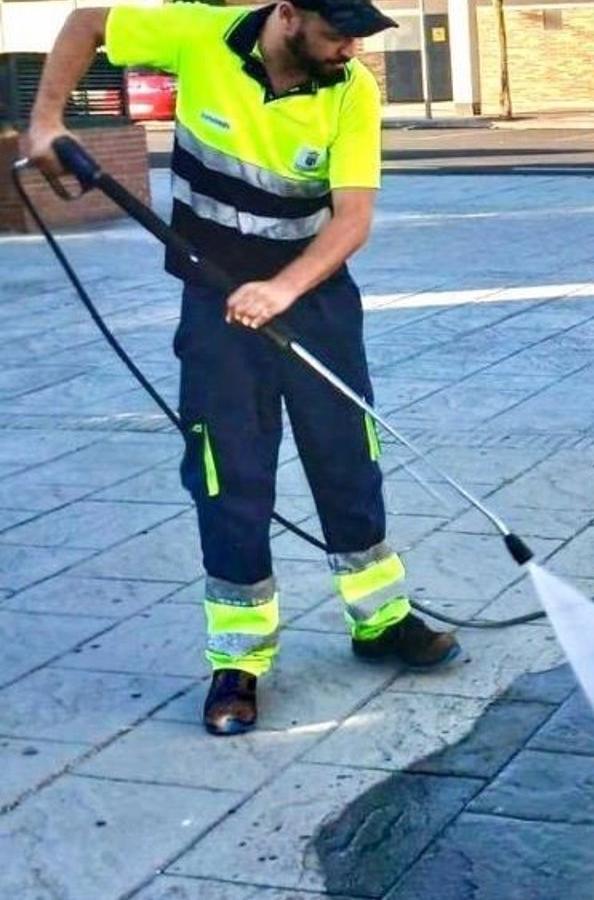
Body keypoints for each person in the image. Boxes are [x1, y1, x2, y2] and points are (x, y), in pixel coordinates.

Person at [21, 0, 460, 737]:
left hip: (314, 299)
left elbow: (352, 217)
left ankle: (380, 619)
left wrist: (283, 288)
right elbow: (87, 22)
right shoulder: (199, 35)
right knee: (230, 477)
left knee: (348, 461)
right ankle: (239, 660)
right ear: (288, 15)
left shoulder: (351, 90)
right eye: (336, 33)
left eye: (357, 36)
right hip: (216, 305)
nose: (350, 50)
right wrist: (45, 120)